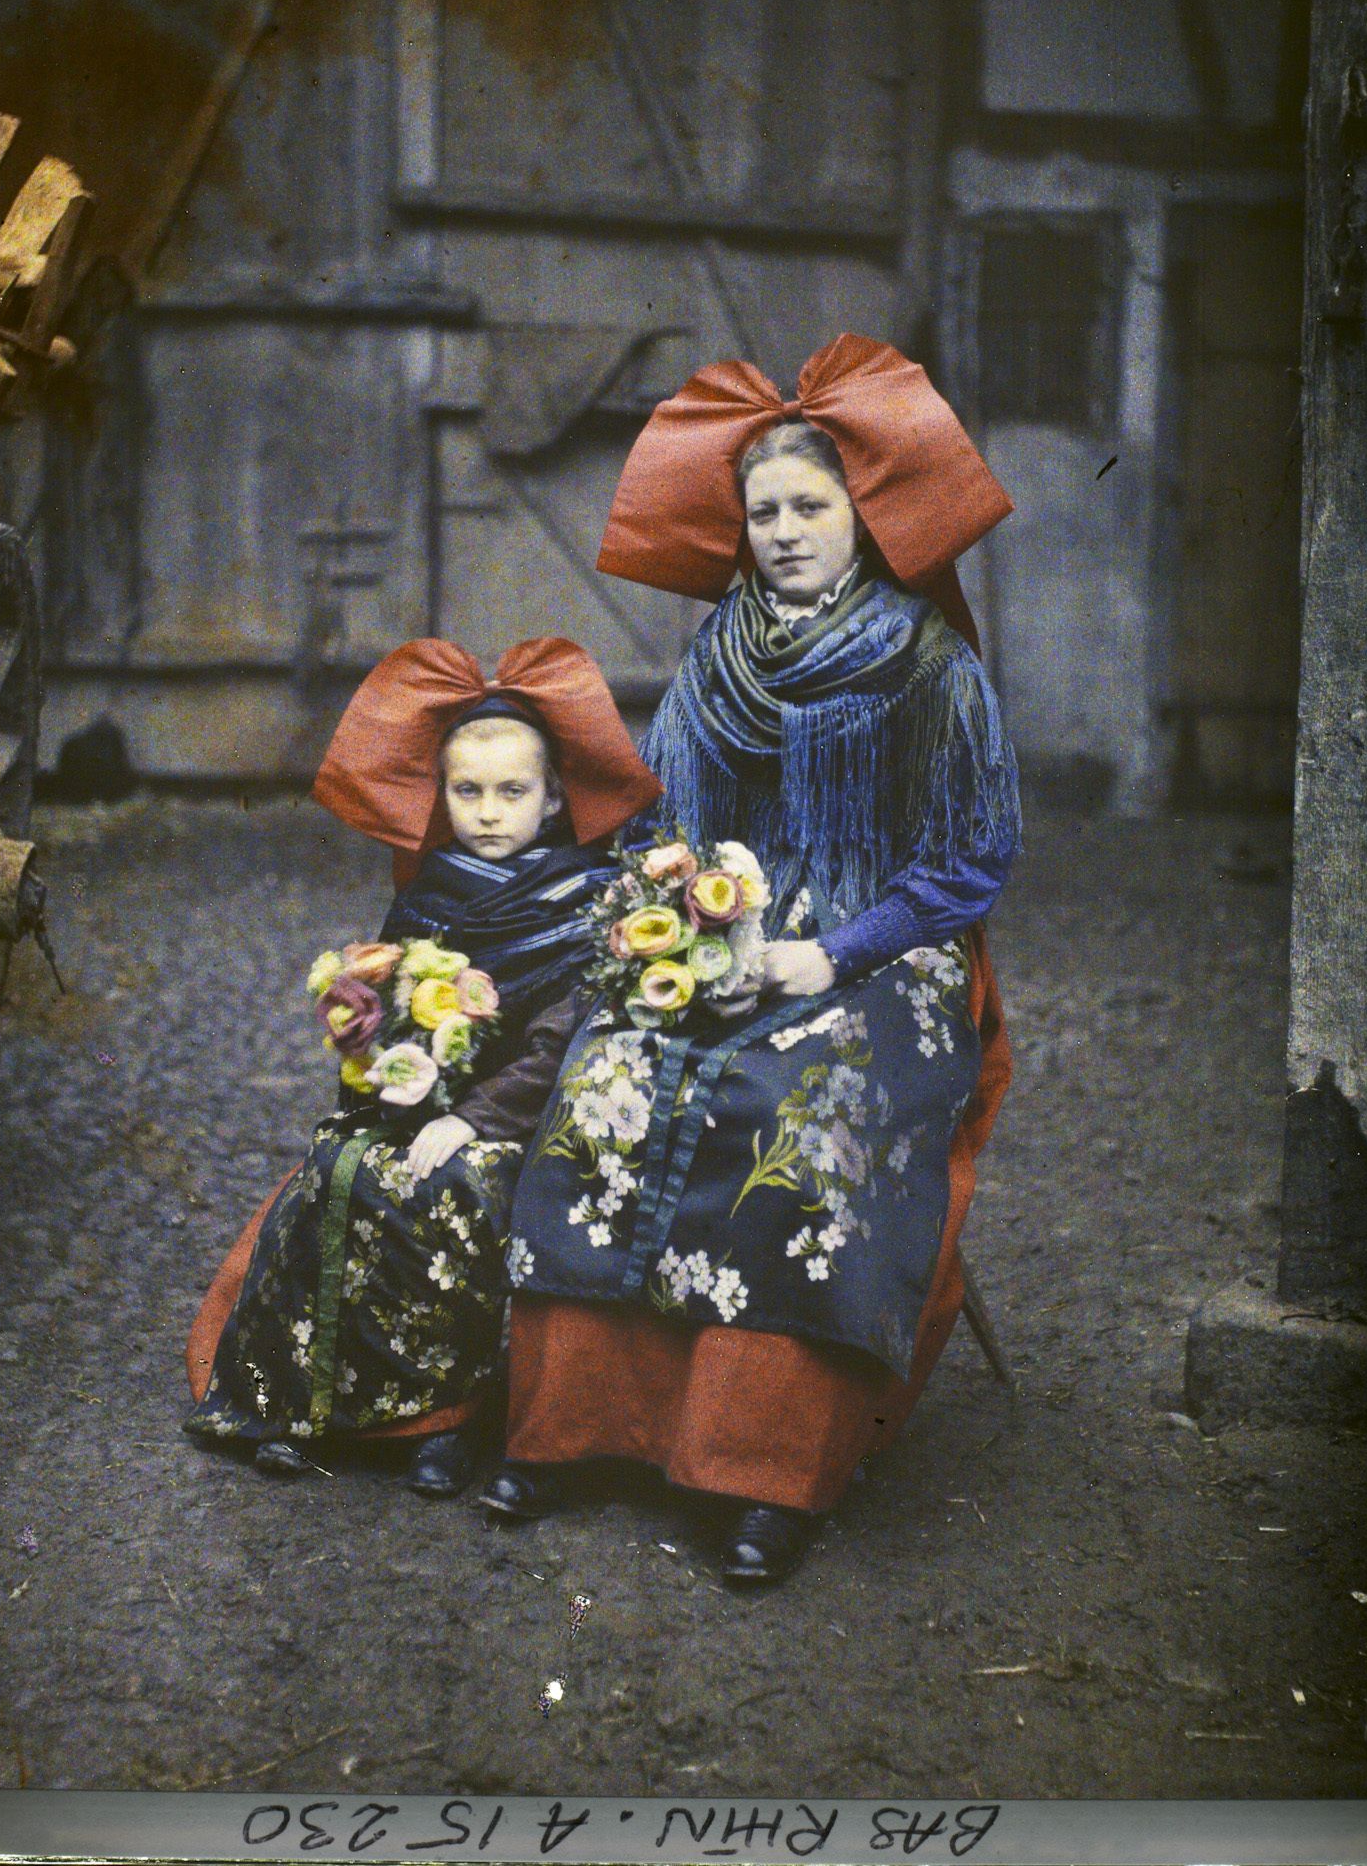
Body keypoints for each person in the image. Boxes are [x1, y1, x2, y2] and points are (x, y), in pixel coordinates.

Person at [482, 335, 1021, 1581]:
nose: (782, 532)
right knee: (609, 1074)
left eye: (808, 507)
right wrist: (679, 917)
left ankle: (768, 1467)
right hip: (729, 929)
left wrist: (828, 955)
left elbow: (971, 859)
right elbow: (663, 822)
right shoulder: (719, 650)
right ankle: (570, 1430)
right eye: (763, 511)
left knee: (802, 1101)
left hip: (885, 948)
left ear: (861, 516)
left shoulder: (927, 662)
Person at [183, 638, 659, 1497]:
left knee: (450, 1189)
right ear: (440, 794)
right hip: (423, 1102)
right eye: (467, 791)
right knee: (335, 1167)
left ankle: (441, 1424)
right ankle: (307, 1407)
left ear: (553, 798)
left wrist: (469, 1118)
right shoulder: (432, 889)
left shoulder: (586, 901)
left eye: (512, 792)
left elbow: (563, 1038)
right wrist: (383, 1061)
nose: (488, 813)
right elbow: (392, 1004)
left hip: (525, 1115)